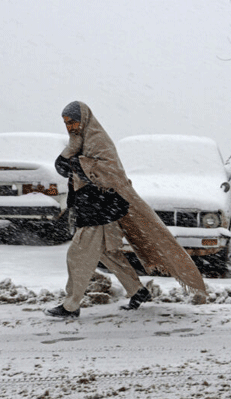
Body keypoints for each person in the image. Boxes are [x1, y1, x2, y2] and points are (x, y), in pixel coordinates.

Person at [44, 101, 152, 318]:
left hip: (99, 208)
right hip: (95, 207)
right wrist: (70, 159)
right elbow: (66, 165)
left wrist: (76, 164)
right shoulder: (80, 140)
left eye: (73, 122)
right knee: (108, 253)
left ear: (84, 119)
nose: (70, 127)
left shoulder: (98, 140)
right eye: (66, 123)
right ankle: (138, 291)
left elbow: (107, 172)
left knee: (77, 256)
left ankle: (71, 306)